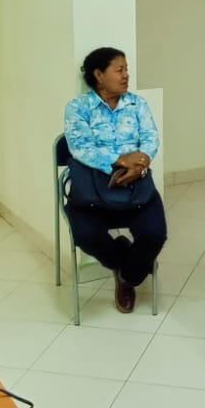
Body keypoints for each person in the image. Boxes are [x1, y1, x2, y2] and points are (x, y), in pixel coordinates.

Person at [62, 47, 166, 313]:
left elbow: (151, 139)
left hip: (136, 186)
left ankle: (128, 278)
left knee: (155, 234)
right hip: (92, 190)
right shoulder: (78, 108)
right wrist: (120, 160)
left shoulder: (137, 104)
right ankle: (123, 259)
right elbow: (81, 148)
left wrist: (140, 164)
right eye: (119, 70)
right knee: (86, 235)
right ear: (99, 75)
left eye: (126, 69)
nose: (126, 75)